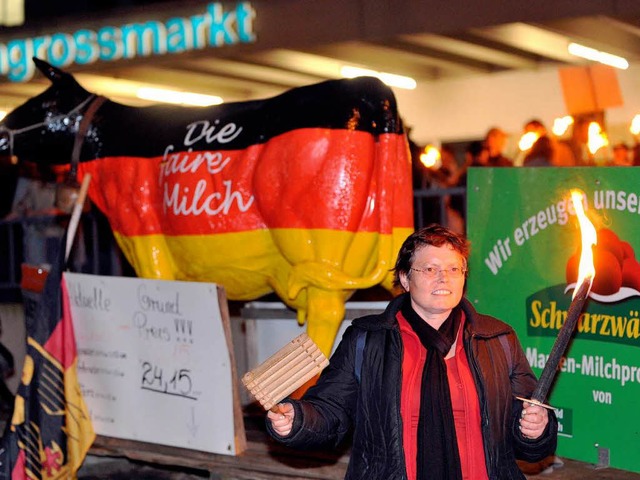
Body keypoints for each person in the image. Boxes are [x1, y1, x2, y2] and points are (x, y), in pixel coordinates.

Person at [266, 224, 558, 480]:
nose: (444, 278)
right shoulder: (367, 340)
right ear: (405, 279)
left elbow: (528, 430)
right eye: (430, 269)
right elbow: (331, 412)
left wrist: (536, 429)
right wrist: (298, 419)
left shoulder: (497, 339)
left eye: (454, 269)